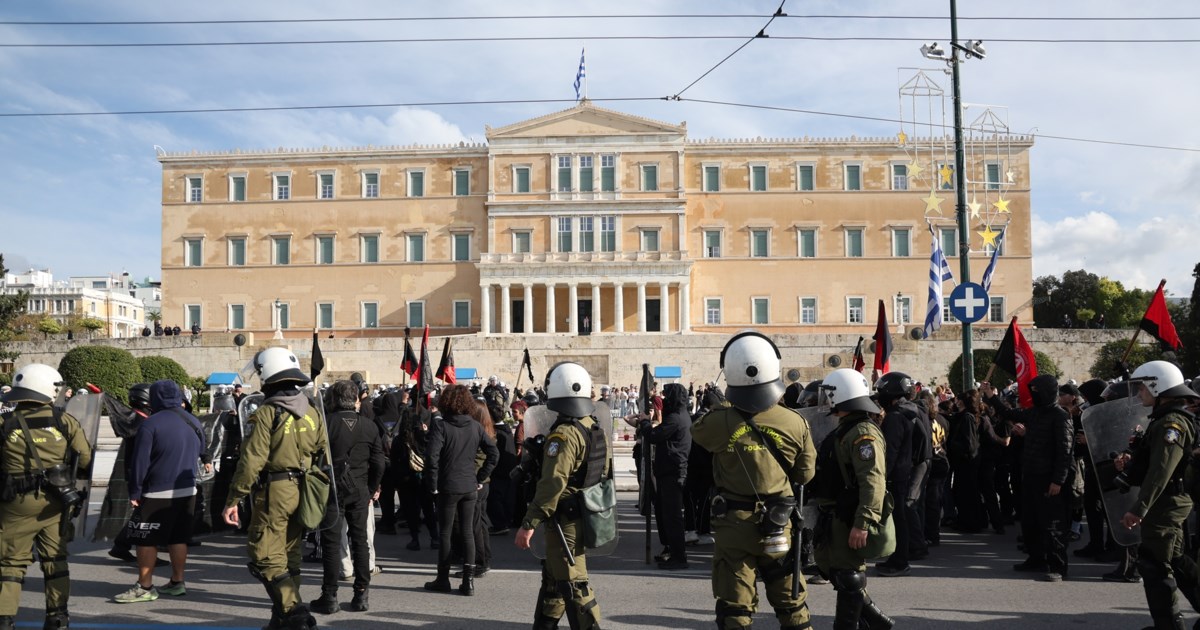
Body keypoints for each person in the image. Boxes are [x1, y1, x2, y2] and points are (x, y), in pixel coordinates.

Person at [690, 332, 816, 630]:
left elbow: (698, 433)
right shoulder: (794, 421)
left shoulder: (719, 421)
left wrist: (720, 406)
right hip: (779, 522)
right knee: (791, 604)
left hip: (734, 524)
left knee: (735, 609)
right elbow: (806, 474)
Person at [221, 348, 327, 630]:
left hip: (275, 491)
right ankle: (280, 620)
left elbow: (252, 459)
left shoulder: (268, 412)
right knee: (289, 557)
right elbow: (322, 451)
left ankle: (295, 614)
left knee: (264, 556)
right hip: (302, 490)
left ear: (267, 375)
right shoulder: (313, 411)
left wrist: (234, 498)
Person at [514, 362, 610, 630]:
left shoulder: (565, 434)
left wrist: (528, 524)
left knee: (572, 582)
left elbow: (552, 484)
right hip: (583, 512)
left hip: (565, 519)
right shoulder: (592, 426)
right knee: (554, 579)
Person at [0, 365, 93, 630]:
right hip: (56, 502)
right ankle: (57, 618)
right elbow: (85, 459)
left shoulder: (5, 422)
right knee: (55, 561)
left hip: (14, 503)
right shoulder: (64, 421)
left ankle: (5, 619)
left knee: (10, 564)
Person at [1115, 361, 1200, 630]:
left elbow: (1161, 472)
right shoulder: (1164, 419)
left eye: (1142, 387)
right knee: (1173, 559)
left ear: (1157, 386)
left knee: (1154, 564)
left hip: (1166, 504)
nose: (1139, 393)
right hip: (1165, 502)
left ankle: (1168, 625)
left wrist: (1138, 509)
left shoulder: (1171, 423)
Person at [812, 368, 893, 630]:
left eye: (830, 394)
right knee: (839, 574)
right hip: (835, 515)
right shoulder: (846, 429)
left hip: (849, 517)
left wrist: (863, 522)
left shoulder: (862, 433)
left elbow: (873, 480)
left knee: (849, 578)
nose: (826, 400)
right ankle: (878, 623)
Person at [113, 380, 206, 604]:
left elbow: (140, 462)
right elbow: (203, 449)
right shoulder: (193, 420)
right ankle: (177, 581)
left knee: (146, 540)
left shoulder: (151, 424)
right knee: (178, 537)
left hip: (157, 491)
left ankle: (145, 586)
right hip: (187, 489)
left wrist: (135, 491)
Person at [984, 375, 1075, 583]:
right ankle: (1036, 558)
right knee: (1031, 521)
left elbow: (1065, 451)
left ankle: (1058, 566)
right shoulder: (1035, 413)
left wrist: (1058, 480)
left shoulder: (1060, 416)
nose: (1033, 394)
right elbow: (1008, 413)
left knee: (1053, 525)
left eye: (1036, 390)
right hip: (1032, 476)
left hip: (1050, 480)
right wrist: (991, 396)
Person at [310, 380, 385, 615]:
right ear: (356, 400)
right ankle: (361, 593)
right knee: (360, 541)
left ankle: (330, 595)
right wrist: (372, 487)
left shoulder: (325, 423)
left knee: (332, 544)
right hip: (360, 489)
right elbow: (380, 462)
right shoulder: (369, 426)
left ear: (333, 399)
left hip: (332, 489)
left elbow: (313, 457)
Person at [423, 385, 499, 596]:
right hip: (468, 485)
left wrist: (433, 484)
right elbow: (493, 453)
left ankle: (443, 578)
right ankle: (468, 581)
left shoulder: (442, 426)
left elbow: (432, 458)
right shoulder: (474, 426)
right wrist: (480, 477)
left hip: (449, 485)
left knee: (446, 532)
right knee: (467, 532)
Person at [641, 383, 693, 571]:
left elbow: (655, 435)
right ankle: (672, 550)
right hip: (670, 471)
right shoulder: (680, 415)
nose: (663, 398)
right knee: (667, 515)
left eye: (666, 395)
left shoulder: (675, 418)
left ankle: (679, 557)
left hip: (673, 472)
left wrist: (645, 422)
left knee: (673, 517)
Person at [873, 372, 916, 577]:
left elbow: (889, 451)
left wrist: (882, 477)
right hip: (903, 472)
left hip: (895, 476)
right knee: (900, 517)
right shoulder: (909, 413)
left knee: (898, 518)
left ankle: (899, 560)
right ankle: (898, 558)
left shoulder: (895, 418)